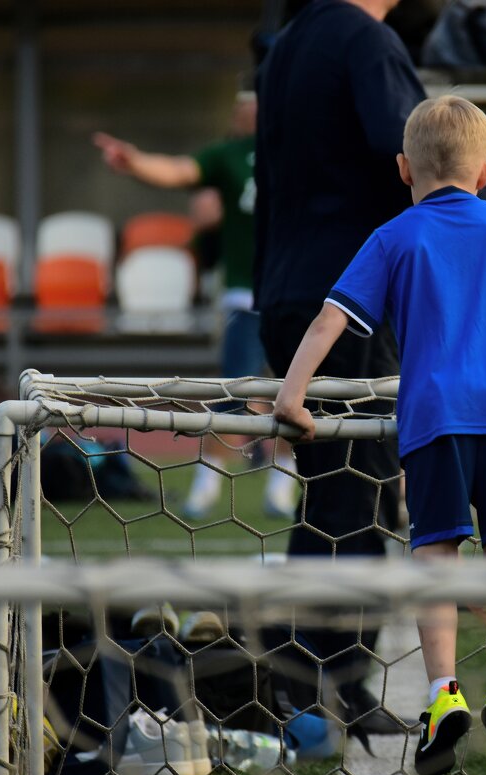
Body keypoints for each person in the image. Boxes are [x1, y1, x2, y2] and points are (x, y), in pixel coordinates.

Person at [273, 96, 486, 775]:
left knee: (437, 554)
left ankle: (442, 695)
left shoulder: (393, 236)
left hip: (433, 420)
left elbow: (329, 321)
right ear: (485, 173)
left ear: (402, 168)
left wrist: (292, 393)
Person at [252, 0, 428, 735]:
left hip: (287, 294)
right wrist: (475, 202)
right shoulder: (367, 40)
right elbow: (414, 155)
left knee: (330, 492)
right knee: (358, 490)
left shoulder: (290, 42)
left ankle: (288, 668)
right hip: (347, 299)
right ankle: (339, 681)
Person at [94, 92, 297, 520]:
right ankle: (209, 480)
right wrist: (136, 163)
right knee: (233, 394)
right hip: (246, 296)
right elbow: (179, 170)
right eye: (242, 103)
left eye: (257, 100)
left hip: (294, 294)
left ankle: (284, 479)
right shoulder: (227, 157)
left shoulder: (299, 148)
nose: (249, 108)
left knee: (293, 393)